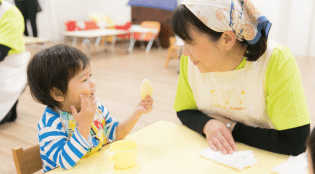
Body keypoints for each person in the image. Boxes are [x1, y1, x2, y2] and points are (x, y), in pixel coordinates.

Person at [172, 0, 311, 156]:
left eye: (189, 42)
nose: (184, 52)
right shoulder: (191, 61)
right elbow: (184, 110)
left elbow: (295, 142)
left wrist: (229, 126)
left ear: (227, 39)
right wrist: (208, 124)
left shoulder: (275, 60)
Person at [27, 44, 153, 172]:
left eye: (90, 75)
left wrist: (137, 112)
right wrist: (84, 125)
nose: (93, 83)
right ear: (58, 93)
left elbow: (116, 133)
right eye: (84, 79)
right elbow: (65, 162)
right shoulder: (50, 126)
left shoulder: (95, 108)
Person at [0, 0, 30, 124]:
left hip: (11, 64)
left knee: (6, 96)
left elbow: (2, 51)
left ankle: (10, 112)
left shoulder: (10, 13)